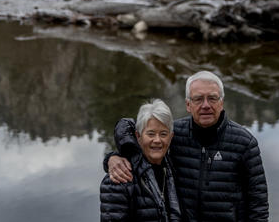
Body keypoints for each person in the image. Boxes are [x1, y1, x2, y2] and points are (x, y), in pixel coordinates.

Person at [106, 71, 269, 221]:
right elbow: (137, 130)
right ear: (188, 104)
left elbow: (258, 206)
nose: (206, 105)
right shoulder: (173, 134)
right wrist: (113, 157)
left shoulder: (244, 142)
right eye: (198, 99)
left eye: (212, 98)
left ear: (221, 103)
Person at [100, 99, 181, 222]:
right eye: (151, 134)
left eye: (163, 134)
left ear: (171, 137)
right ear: (138, 136)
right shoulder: (119, 177)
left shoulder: (173, 168)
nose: (157, 140)